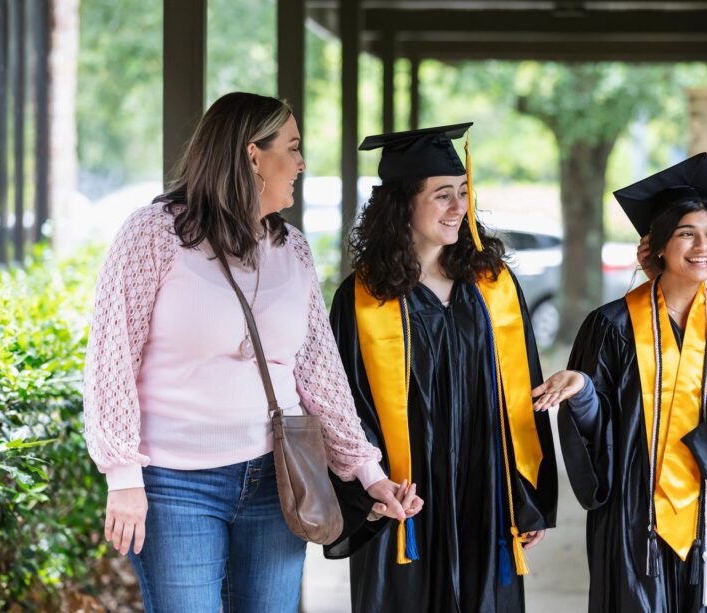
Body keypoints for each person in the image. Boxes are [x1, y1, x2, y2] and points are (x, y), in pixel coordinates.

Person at [82, 92, 417, 612]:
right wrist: (122, 477)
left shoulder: (292, 249)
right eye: (293, 147)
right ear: (252, 155)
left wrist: (370, 474)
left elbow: (319, 374)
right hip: (175, 486)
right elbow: (110, 361)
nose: (303, 163)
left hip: (276, 479)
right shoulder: (154, 234)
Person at [532, 153, 707, 612]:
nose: (703, 245)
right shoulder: (611, 325)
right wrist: (582, 390)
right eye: (687, 233)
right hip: (631, 514)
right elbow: (598, 427)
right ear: (659, 244)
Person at [326, 123, 558, 612]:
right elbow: (343, 404)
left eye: (464, 194)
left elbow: (522, 396)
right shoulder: (363, 299)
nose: (459, 208)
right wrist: (369, 489)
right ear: (403, 204)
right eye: (443, 196)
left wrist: (525, 494)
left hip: (485, 486)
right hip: (403, 496)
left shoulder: (495, 288)